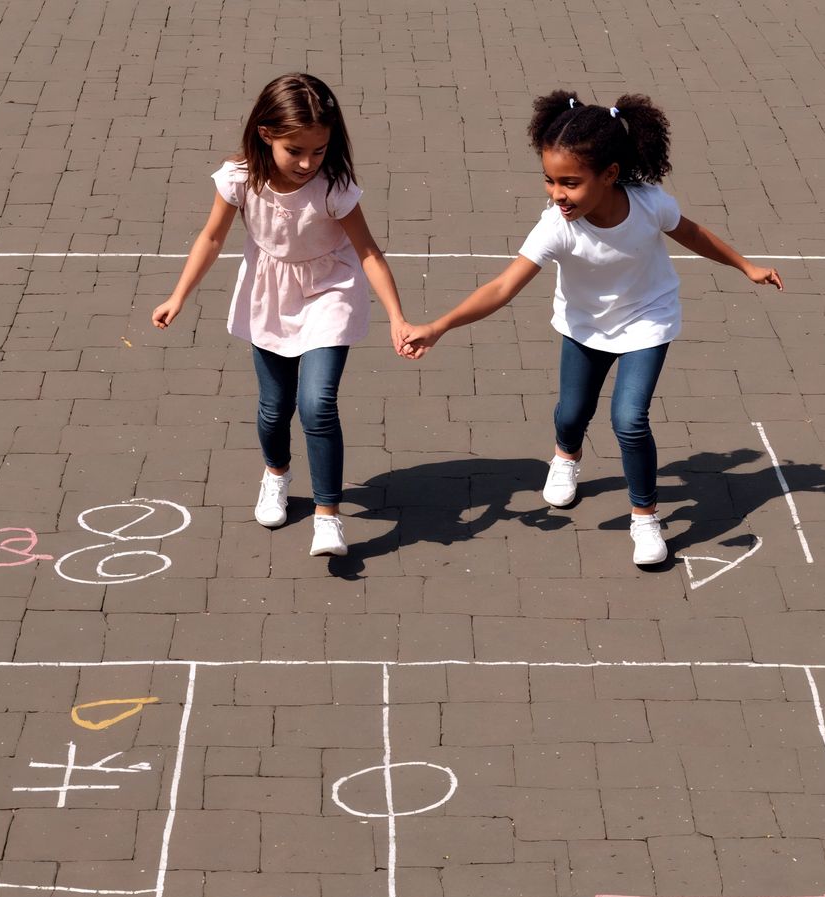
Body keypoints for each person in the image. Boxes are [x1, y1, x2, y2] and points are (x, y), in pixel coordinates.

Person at [400, 91, 784, 565]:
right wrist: (438, 326)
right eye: (549, 180)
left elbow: (691, 233)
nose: (557, 194)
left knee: (629, 419)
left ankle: (645, 519)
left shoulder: (648, 205)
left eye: (570, 183)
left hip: (648, 319)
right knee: (571, 413)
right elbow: (503, 287)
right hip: (584, 326)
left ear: (609, 175)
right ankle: (566, 456)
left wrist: (745, 266)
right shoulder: (556, 227)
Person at [152, 73, 412, 557]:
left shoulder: (334, 186)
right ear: (267, 134)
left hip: (329, 293)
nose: (308, 162)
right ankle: (276, 475)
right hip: (269, 293)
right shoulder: (239, 178)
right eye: (296, 151)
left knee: (317, 405)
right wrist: (178, 295)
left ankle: (327, 515)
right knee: (275, 407)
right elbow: (211, 238)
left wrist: (397, 317)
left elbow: (369, 252)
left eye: (319, 150)